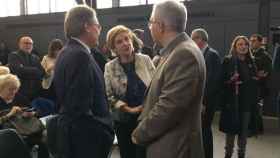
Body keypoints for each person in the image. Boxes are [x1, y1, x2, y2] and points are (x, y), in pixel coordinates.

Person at [131, 1, 206, 158]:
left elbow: (169, 108)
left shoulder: (183, 54)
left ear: (161, 25)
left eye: (151, 22)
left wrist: (139, 133)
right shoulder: (177, 50)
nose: (149, 27)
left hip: (175, 148)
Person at [53, 5, 114, 158]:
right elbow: (79, 107)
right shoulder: (81, 56)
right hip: (86, 142)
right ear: (87, 27)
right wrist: (104, 131)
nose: (99, 30)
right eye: (97, 26)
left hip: (73, 137)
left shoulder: (65, 52)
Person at [104, 25, 155, 158]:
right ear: (113, 48)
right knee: (128, 154)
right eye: (119, 42)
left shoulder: (145, 60)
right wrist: (130, 110)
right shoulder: (110, 67)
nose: (125, 43)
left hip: (147, 119)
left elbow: (156, 85)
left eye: (127, 39)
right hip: (123, 121)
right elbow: (109, 96)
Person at [219, 36, 260, 158]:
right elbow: (221, 82)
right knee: (231, 132)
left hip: (247, 104)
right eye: (240, 45)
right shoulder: (228, 60)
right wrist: (231, 80)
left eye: (245, 45)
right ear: (235, 47)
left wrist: (255, 80)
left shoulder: (251, 62)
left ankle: (241, 154)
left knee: (243, 133)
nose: (243, 47)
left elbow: (254, 80)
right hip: (233, 104)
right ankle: (228, 154)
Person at [0, 73, 49, 158]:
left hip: (27, 130)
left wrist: (31, 113)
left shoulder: (18, 97)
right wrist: (9, 114)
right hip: (7, 136)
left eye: (15, 89)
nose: (14, 92)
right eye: (10, 89)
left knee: (45, 139)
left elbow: (36, 111)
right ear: (1, 88)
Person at [191, 28, 222, 158]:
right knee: (201, 132)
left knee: (205, 131)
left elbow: (212, 82)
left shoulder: (212, 55)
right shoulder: (201, 54)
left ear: (200, 39)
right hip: (201, 101)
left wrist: (203, 102)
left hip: (206, 102)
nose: (191, 41)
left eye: (193, 38)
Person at [8, 36, 45, 105]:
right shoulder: (14, 55)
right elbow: (17, 70)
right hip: (21, 92)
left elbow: (42, 72)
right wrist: (34, 70)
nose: (28, 45)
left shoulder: (35, 57)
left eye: (30, 44)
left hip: (35, 91)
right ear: (20, 44)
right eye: (26, 43)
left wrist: (25, 69)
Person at [249, 34, 272, 102]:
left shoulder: (265, 55)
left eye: (254, 41)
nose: (251, 42)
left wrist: (256, 74)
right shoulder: (249, 54)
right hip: (249, 86)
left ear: (260, 42)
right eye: (250, 41)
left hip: (260, 87)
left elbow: (266, 72)